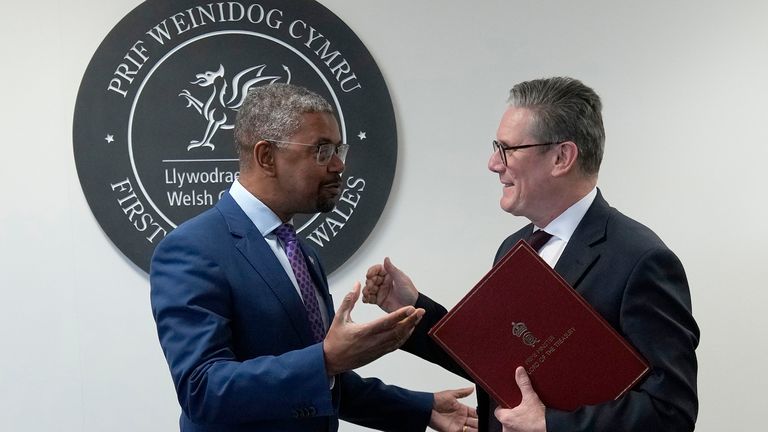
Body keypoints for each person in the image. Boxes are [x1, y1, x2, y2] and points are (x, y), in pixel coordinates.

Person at [363, 77, 699, 432]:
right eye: (497, 147)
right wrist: (410, 308)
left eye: (508, 149)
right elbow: (497, 362)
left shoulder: (641, 260)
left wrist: (550, 425)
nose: (494, 163)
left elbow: (671, 411)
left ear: (561, 157)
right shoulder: (514, 248)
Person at [150, 83, 479, 432]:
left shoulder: (302, 253)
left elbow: (320, 382)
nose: (338, 165)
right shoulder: (192, 249)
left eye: (339, 149)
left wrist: (422, 408)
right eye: (322, 150)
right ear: (266, 157)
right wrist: (325, 360)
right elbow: (202, 391)